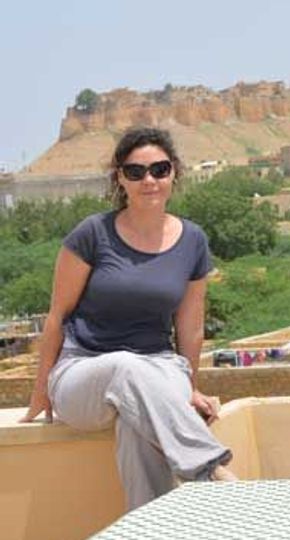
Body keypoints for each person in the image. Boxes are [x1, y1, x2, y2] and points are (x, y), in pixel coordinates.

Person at [19, 127, 235, 510]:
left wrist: (191, 387)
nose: (148, 180)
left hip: (160, 365)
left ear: (174, 173)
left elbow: (191, 326)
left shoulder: (193, 240)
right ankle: (210, 470)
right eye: (135, 172)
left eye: (158, 169)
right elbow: (57, 316)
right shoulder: (93, 234)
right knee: (125, 367)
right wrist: (40, 391)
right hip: (83, 370)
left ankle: (151, 529)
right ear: (120, 177)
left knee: (136, 428)